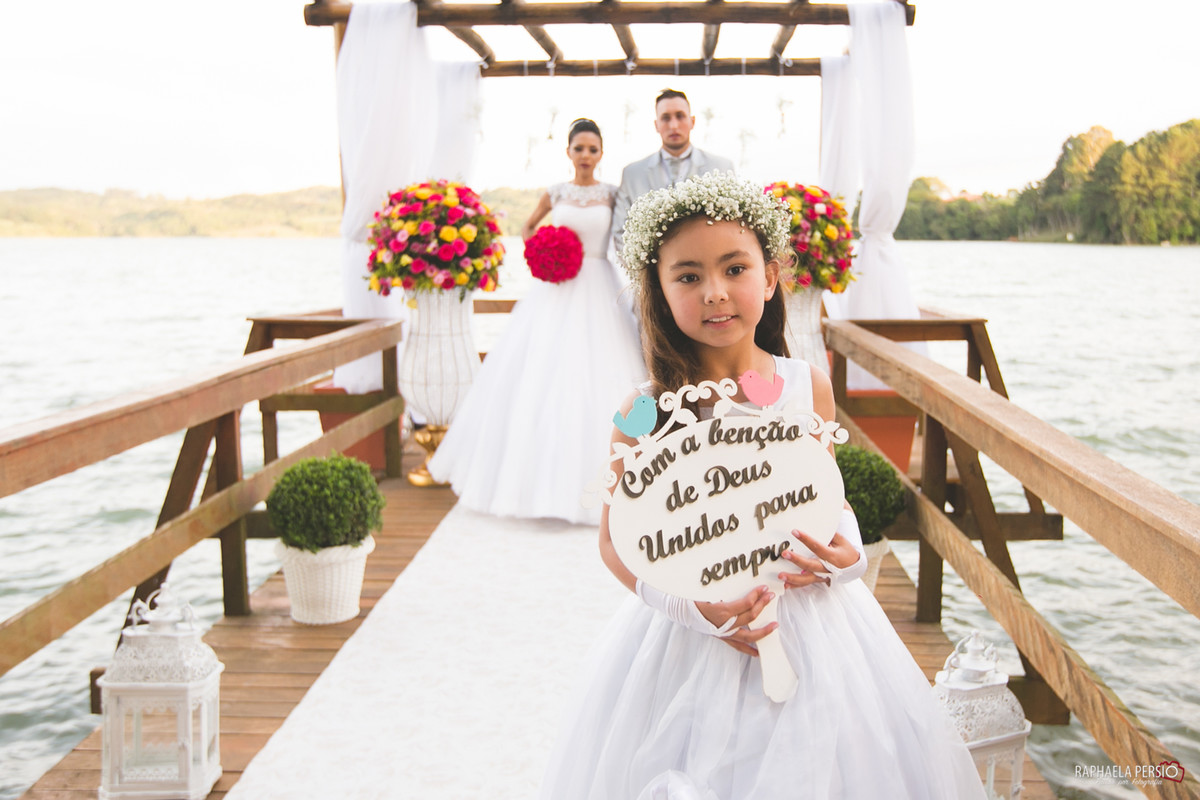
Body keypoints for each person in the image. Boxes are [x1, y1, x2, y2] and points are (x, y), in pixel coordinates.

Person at [538, 172, 986, 799]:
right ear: (659, 292)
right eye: (688, 276)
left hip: (813, 624)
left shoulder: (806, 385)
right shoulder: (644, 412)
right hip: (695, 634)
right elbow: (616, 543)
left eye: (734, 268)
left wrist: (848, 560)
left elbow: (828, 501)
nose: (715, 292)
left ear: (770, 277)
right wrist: (696, 611)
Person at [427, 118, 645, 526]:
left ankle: (614, 484)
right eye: (578, 148)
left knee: (602, 375)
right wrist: (542, 251)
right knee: (541, 377)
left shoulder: (614, 195)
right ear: (568, 152)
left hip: (600, 285)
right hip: (557, 289)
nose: (585, 156)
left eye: (592, 150)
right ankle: (530, 486)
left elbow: (623, 236)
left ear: (601, 155)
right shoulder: (555, 192)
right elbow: (528, 227)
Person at [610, 89, 735, 254]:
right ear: (656, 125)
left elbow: (732, 227)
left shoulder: (721, 167)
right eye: (666, 118)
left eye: (680, 116)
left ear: (692, 121)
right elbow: (620, 233)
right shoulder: (632, 174)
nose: (673, 125)